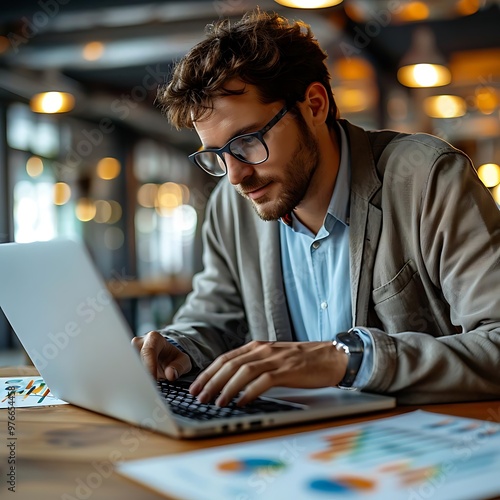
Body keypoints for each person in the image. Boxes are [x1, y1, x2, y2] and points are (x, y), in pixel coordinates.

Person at [132, 9, 500, 406]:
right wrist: (178, 346)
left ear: (314, 105)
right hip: (294, 449)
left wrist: (348, 360)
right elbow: (214, 317)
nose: (235, 175)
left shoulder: (425, 179)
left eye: (247, 143)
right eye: (217, 155)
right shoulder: (231, 204)